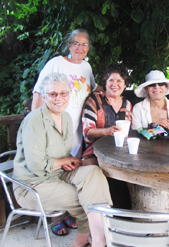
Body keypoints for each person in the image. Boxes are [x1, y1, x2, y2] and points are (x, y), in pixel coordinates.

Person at [13, 73, 112, 247]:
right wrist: (64, 160)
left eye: (63, 93)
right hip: (32, 185)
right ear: (44, 96)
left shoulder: (65, 118)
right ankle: (87, 242)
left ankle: (98, 240)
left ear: (69, 94)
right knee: (85, 198)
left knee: (94, 172)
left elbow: (60, 155)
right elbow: (36, 166)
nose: (59, 98)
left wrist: (69, 160)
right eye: (53, 94)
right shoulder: (34, 121)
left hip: (58, 174)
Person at [31, 28, 103, 235]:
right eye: (76, 44)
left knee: (71, 170)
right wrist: (38, 122)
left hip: (77, 129)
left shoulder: (87, 67)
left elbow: (93, 88)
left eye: (84, 44)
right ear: (69, 45)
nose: (80, 48)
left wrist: (111, 89)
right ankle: (55, 218)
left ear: (88, 48)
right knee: (54, 171)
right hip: (55, 126)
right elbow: (38, 91)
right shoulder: (56, 63)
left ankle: (69, 214)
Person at [82, 63, 132, 166]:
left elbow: (131, 131)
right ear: (105, 83)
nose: (114, 85)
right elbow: (87, 131)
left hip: (122, 152)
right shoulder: (94, 100)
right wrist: (107, 131)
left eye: (119, 81)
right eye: (111, 80)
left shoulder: (127, 104)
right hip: (96, 152)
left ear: (125, 85)